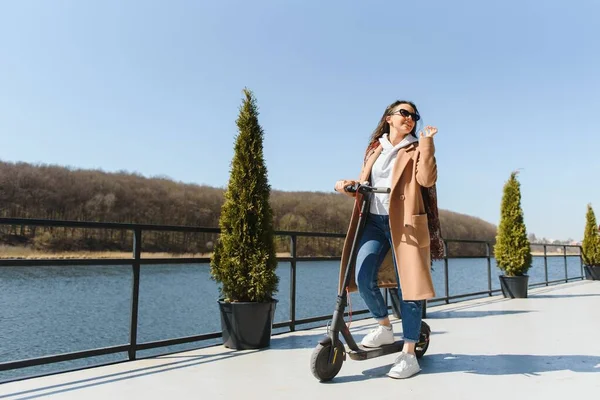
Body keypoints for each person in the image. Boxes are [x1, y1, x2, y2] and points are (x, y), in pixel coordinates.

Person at [334, 100, 440, 379]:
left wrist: (427, 143)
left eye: (414, 116)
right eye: (404, 113)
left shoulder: (417, 147)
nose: (410, 118)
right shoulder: (375, 149)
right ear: (389, 118)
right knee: (361, 274)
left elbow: (427, 180)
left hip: (404, 223)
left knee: (410, 288)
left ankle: (409, 354)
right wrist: (347, 186)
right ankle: (383, 325)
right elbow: (366, 184)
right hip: (373, 222)